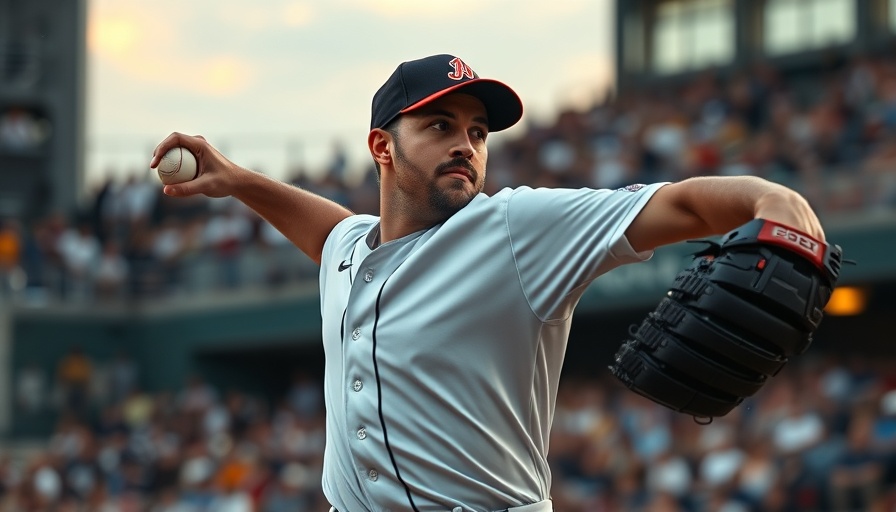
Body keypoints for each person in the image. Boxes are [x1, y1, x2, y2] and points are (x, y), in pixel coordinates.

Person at [150, 54, 826, 512]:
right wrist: (237, 179)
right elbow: (328, 232)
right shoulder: (352, 250)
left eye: (476, 132)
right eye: (439, 126)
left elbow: (677, 205)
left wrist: (775, 202)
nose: (465, 145)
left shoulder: (516, 230)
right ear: (383, 148)